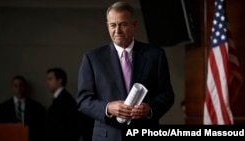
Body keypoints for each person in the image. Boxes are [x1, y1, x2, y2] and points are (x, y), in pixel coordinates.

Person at [76, 1, 175, 141]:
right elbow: (83, 101)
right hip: (107, 136)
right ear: (107, 26)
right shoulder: (92, 58)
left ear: (134, 25)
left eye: (123, 24)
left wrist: (150, 108)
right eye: (113, 25)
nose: (118, 31)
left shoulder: (155, 55)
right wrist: (108, 108)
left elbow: (167, 94)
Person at [0, 75, 47, 141]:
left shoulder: (36, 107)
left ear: (25, 87)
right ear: (12, 88)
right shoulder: (3, 107)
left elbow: (41, 129)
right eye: (15, 86)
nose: (18, 89)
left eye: (21, 86)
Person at [45, 67, 89, 141]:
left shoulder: (65, 100)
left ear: (59, 81)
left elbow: (75, 126)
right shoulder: (59, 98)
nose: (47, 82)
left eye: (50, 79)